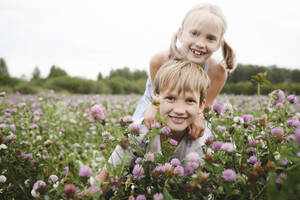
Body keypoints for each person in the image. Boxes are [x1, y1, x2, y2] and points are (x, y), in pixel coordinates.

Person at [95, 60, 211, 186]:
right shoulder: (140, 130)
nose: (179, 110)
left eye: (189, 100)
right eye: (170, 98)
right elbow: (107, 175)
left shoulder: (202, 144)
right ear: (156, 96)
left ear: (201, 106)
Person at [132, 3, 235, 139]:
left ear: (218, 44)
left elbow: (203, 107)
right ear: (181, 34)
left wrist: (199, 117)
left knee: (200, 138)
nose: (200, 43)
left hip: (191, 112)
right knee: (141, 137)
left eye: (210, 38)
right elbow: (156, 96)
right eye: (194, 33)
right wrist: (154, 107)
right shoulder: (160, 60)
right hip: (156, 104)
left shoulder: (217, 72)